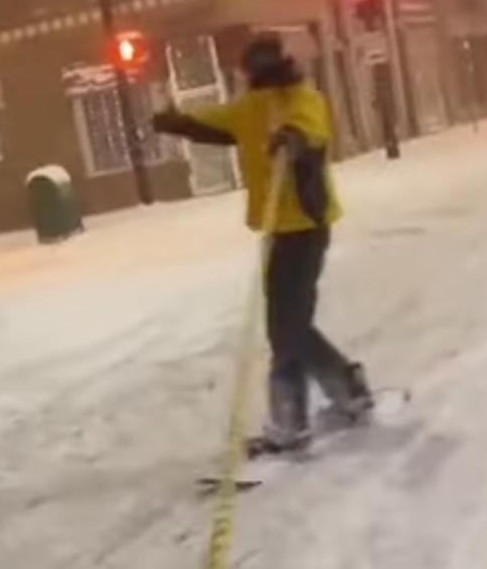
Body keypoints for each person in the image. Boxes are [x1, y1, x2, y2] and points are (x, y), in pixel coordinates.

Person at [152, 34, 371, 453]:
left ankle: (293, 420)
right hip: (277, 231)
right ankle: (346, 386)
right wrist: (174, 121)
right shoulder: (249, 109)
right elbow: (210, 122)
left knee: (285, 327)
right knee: (290, 325)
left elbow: (312, 133)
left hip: (306, 228)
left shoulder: (302, 99)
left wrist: (293, 140)